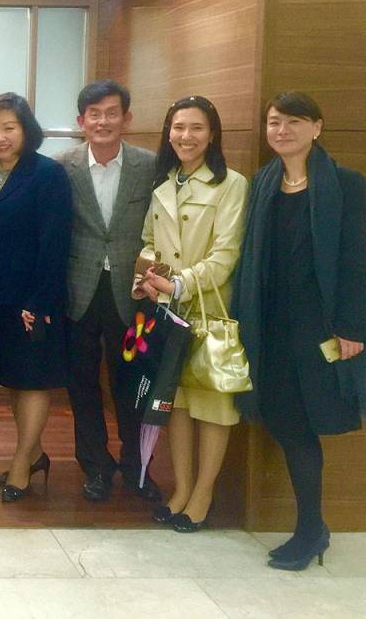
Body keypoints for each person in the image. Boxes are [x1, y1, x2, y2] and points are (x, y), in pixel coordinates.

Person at [232, 92, 365, 569]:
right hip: (268, 328)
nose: (282, 130)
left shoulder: (348, 186)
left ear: (317, 127)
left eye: (294, 121)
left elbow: (355, 261)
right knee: (286, 422)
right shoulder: (261, 184)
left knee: (304, 424)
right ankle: (313, 528)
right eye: (274, 121)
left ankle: (311, 529)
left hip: (320, 330)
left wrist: (353, 326)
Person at [137, 95, 248, 532]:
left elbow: (227, 254)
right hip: (168, 312)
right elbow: (149, 239)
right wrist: (146, 274)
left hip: (209, 310)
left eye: (196, 128)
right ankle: (181, 488)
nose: (186, 136)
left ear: (213, 133)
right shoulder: (163, 183)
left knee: (213, 405)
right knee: (176, 403)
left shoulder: (231, 184)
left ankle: (203, 495)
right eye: (179, 127)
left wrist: (181, 281)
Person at [52, 81, 160, 502]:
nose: (103, 121)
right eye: (93, 114)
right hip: (78, 291)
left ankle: (137, 466)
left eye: (111, 112)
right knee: (81, 384)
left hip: (131, 293)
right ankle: (95, 466)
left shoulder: (149, 166)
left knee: (130, 383)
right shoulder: (62, 167)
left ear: (126, 118)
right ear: (81, 122)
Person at [0, 92, 72, 502]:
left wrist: (39, 301)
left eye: (9, 128)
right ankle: (36, 454)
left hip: (33, 298)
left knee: (33, 381)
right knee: (12, 377)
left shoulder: (47, 175)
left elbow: (54, 242)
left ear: (26, 130)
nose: (0, 136)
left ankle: (19, 465)